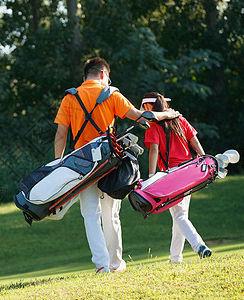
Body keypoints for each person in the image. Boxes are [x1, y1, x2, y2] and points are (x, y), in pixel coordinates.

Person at [53, 57, 180, 273]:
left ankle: (101, 265)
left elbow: (61, 134)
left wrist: (58, 163)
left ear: (86, 76)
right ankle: (115, 264)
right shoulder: (111, 94)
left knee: (90, 215)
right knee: (110, 215)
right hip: (109, 164)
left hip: (81, 165)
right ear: (103, 75)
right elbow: (142, 117)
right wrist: (168, 114)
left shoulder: (70, 97)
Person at [141, 91, 212, 263]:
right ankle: (175, 258)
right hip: (190, 171)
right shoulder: (179, 119)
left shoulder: (154, 125)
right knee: (179, 215)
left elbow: (154, 150)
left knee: (179, 215)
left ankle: (199, 245)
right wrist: (204, 159)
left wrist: (151, 176)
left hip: (172, 175)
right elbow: (194, 141)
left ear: (149, 106)